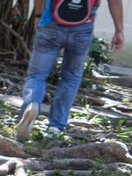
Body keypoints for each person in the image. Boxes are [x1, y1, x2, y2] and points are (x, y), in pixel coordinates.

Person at [15, 0, 124, 140]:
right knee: (71, 78)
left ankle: (31, 105)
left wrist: (37, 15)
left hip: (50, 25)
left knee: (37, 75)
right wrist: (119, 30)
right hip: (82, 30)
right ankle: (56, 127)